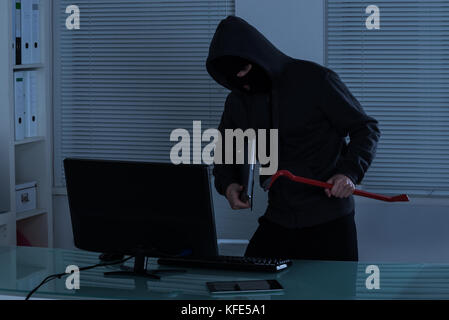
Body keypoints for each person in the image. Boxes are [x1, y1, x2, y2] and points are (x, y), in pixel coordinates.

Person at [206, 16, 381, 261]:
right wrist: (228, 184)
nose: (243, 84)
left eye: (244, 71)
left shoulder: (316, 80)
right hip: (278, 216)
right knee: (246, 286)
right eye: (234, 80)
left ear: (257, 56)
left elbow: (366, 129)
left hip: (329, 220)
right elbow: (226, 150)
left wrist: (349, 173)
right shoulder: (238, 100)